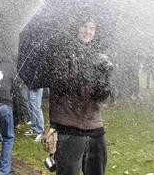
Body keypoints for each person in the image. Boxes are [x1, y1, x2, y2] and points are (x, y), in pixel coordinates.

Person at [46, 17, 114, 175]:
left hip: (94, 127)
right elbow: (61, 84)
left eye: (92, 28)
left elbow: (100, 97)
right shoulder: (62, 52)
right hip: (69, 127)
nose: (88, 31)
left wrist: (104, 81)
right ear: (76, 28)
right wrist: (85, 74)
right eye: (84, 26)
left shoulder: (97, 55)